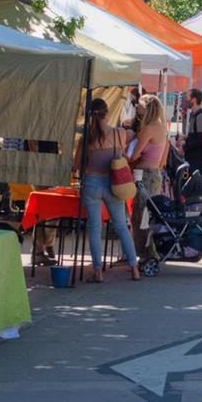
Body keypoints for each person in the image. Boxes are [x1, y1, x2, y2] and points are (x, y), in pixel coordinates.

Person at [77, 97, 140, 281]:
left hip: (91, 184)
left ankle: (98, 271)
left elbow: (77, 165)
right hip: (114, 184)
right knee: (121, 226)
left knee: (95, 229)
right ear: (107, 113)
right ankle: (134, 268)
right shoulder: (119, 133)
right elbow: (134, 136)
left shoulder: (85, 138)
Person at [127, 94, 168, 260]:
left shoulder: (149, 128)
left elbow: (135, 154)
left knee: (140, 216)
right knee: (149, 216)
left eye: (140, 105)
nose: (137, 107)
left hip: (145, 175)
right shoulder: (160, 126)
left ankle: (144, 254)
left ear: (147, 108)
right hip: (153, 174)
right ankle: (149, 252)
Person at [181, 88, 202, 176]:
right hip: (193, 157)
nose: (185, 100)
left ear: (194, 100)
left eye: (187, 97)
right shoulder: (194, 114)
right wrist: (185, 138)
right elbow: (196, 135)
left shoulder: (201, 115)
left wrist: (184, 147)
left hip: (199, 158)